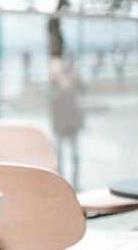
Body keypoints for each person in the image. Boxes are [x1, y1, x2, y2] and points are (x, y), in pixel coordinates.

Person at [46, 55, 84, 189]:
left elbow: (81, 90)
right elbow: (52, 99)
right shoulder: (51, 84)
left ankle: (75, 183)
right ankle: (62, 184)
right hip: (59, 126)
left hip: (72, 125)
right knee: (59, 158)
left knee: (75, 156)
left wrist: (74, 79)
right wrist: (61, 86)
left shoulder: (69, 80)